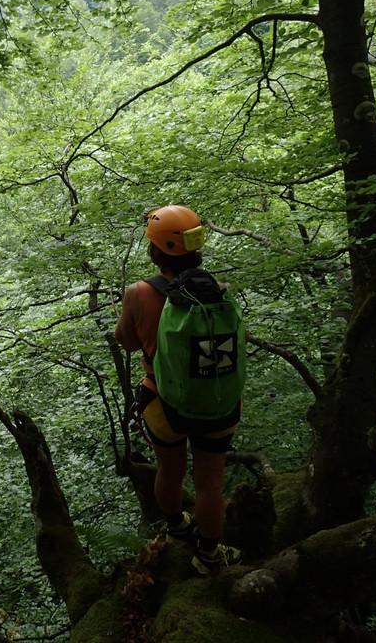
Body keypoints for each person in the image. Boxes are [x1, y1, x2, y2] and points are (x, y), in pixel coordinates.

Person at [114, 205, 243, 574]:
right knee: (210, 484)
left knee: (169, 472)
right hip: (215, 402)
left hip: (163, 402)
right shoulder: (217, 292)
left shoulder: (139, 293)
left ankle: (176, 529)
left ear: (155, 251)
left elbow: (127, 342)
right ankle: (208, 556)